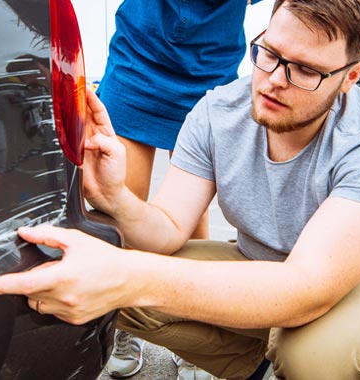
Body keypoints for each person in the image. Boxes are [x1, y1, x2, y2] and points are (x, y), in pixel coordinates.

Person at [0, 0, 360, 379]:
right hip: (260, 264)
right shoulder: (217, 111)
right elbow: (170, 228)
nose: (274, 81)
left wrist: (128, 276)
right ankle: (258, 367)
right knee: (108, 270)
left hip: (353, 282)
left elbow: (307, 288)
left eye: (304, 70)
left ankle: (299, 359)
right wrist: (115, 197)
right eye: (269, 54)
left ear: (349, 77)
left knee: (328, 353)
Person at [95, 1, 262, 378]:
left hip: (209, 64)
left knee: (190, 216)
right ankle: (122, 325)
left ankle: (197, 337)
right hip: (140, 53)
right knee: (120, 207)